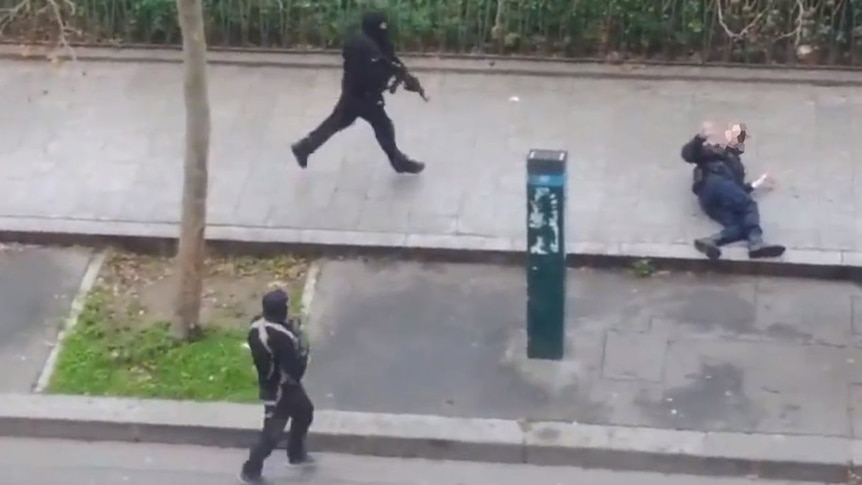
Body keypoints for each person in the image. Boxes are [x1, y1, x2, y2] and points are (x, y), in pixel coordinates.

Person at [290, 10, 426, 174]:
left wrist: (404, 76)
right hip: (362, 96)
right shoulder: (363, 47)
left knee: (337, 122)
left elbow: (390, 60)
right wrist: (389, 79)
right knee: (383, 126)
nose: (384, 31)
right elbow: (372, 71)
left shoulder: (375, 42)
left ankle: (304, 148)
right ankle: (398, 162)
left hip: (355, 94)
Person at [239, 289, 314, 484]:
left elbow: (272, 349)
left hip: (273, 384)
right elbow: (294, 370)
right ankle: (250, 471)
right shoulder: (284, 337)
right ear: (281, 310)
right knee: (271, 434)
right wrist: (303, 348)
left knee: (305, 411)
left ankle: (296, 453)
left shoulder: (257, 327)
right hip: (281, 390)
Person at [681, 122, 785, 260]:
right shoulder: (713, 150)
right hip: (714, 183)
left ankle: (711, 241)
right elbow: (688, 155)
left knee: (740, 227)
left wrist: (756, 184)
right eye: (737, 135)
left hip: (710, 201)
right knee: (749, 205)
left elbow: (737, 191)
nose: (739, 140)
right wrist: (700, 138)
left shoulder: (737, 165)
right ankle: (756, 243)